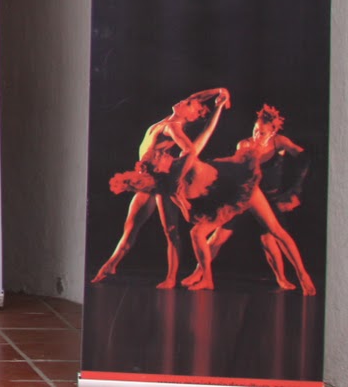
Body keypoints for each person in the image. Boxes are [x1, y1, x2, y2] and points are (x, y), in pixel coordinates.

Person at [91, 87, 229, 288]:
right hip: (146, 180)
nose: (184, 101)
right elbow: (195, 97)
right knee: (130, 227)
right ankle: (111, 265)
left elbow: (190, 151)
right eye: (186, 100)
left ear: (191, 115)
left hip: (160, 183)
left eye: (188, 104)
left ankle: (171, 278)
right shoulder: (169, 119)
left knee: (170, 230)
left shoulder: (172, 127)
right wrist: (220, 91)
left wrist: (176, 178)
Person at [178, 105, 314, 293]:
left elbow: (304, 159)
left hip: (268, 197)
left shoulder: (279, 142)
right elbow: (237, 169)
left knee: (271, 238)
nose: (257, 135)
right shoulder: (245, 145)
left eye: (262, 132)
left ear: (273, 131)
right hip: (244, 194)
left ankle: (295, 276)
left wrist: (295, 190)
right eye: (255, 130)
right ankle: (199, 272)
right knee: (218, 236)